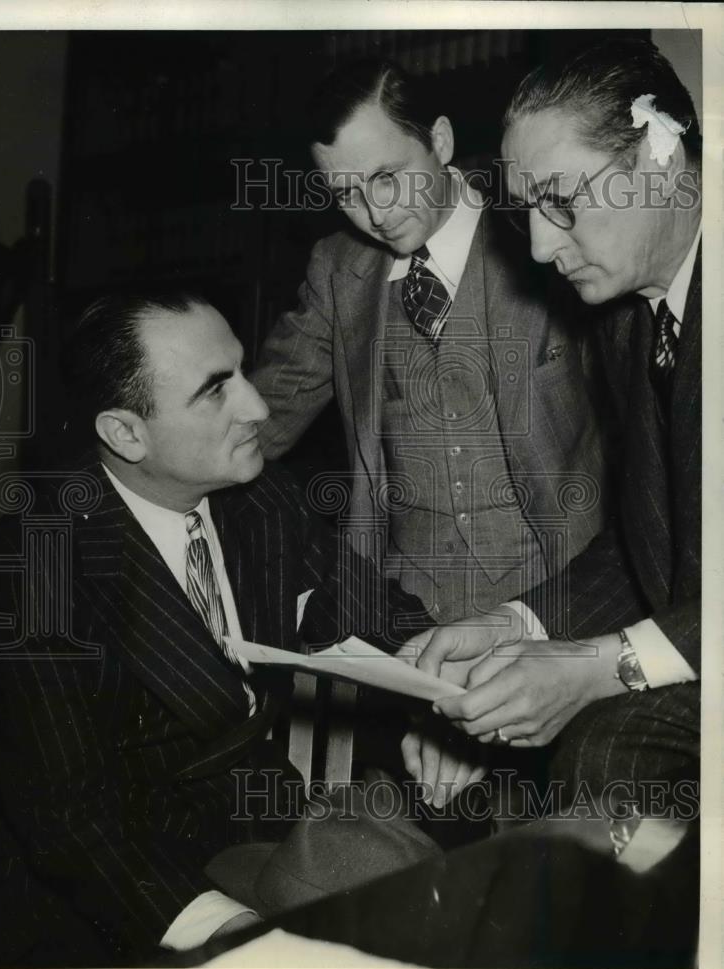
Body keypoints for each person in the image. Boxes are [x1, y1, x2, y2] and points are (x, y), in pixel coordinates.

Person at [0, 291, 437, 968]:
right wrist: (233, 935)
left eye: (243, 372)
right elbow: (70, 820)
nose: (257, 406)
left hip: (264, 835)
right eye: (215, 391)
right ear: (125, 433)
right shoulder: (34, 568)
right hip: (116, 899)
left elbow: (377, 615)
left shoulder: (260, 496)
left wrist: (451, 689)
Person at [408, 39, 702, 802]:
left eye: (561, 202)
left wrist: (600, 666)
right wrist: (518, 626)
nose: (539, 245)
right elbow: (660, 552)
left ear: (659, 157)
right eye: (525, 211)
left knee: (607, 754)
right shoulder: (627, 321)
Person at [251, 57, 606, 626]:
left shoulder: (544, 238)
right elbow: (256, 422)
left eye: (387, 177)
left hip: (550, 609)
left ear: (439, 140)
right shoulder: (337, 273)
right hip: (404, 622)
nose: (376, 213)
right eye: (347, 194)